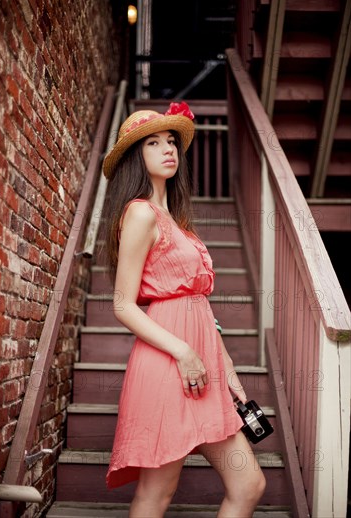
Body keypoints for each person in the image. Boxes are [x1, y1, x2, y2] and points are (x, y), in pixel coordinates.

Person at [102, 102, 266, 517]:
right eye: (154, 143)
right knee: (157, 493)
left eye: (171, 141)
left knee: (249, 485)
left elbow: (201, 308)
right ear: (135, 156)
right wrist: (184, 352)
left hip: (203, 361)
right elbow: (123, 305)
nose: (168, 149)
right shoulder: (140, 213)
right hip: (167, 361)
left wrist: (226, 369)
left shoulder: (177, 221)